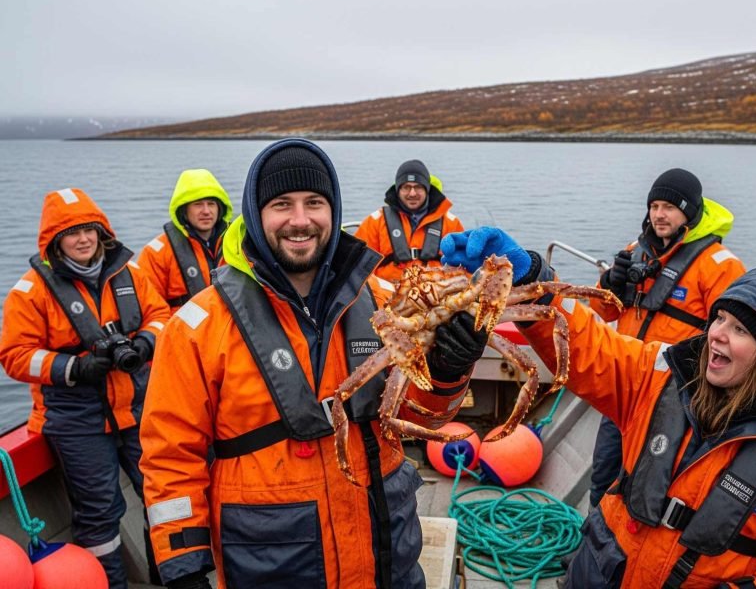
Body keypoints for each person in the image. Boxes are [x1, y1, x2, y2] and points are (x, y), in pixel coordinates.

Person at [139, 138, 487, 589]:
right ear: (253, 213)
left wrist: (446, 373)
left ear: (334, 210)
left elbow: (419, 419)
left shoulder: (387, 304)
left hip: (386, 550)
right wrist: (184, 566)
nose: (300, 220)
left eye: (314, 203)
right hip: (269, 562)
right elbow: (169, 456)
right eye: (282, 204)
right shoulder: (195, 328)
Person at [442, 227, 756, 588]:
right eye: (719, 319)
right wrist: (534, 277)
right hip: (600, 569)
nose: (717, 335)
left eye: (739, 330)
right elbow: (590, 348)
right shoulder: (660, 375)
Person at [0, 188, 170, 588]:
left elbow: (162, 317)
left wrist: (144, 342)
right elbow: (14, 355)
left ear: (101, 232)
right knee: (99, 516)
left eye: (88, 230)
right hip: (75, 422)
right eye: (71, 233)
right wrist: (74, 367)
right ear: (54, 241)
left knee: (164, 500)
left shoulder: (132, 275)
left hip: (137, 409)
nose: (82, 239)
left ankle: (170, 579)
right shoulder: (31, 292)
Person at [590, 168, 746, 503]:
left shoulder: (720, 266)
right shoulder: (635, 252)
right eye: (655, 206)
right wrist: (608, 286)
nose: (659, 214)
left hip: (675, 393)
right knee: (603, 470)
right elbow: (602, 313)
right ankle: (591, 544)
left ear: (688, 212)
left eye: (670, 207)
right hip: (624, 382)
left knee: (651, 480)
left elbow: (734, 339)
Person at [137, 168, 233, 313]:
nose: (206, 211)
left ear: (220, 208)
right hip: (182, 332)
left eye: (211, 203)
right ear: (183, 210)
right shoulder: (156, 253)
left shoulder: (238, 244)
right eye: (198, 204)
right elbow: (151, 311)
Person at [354, 159, 464, 283]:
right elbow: (356, 271)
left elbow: (463, 271)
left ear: (427, 189)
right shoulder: (375, 222)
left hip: (437, 296)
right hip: (386, 296)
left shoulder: (452, 224)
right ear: (397, 190)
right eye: (406, 187)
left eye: (418, 187)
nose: (412, 193)